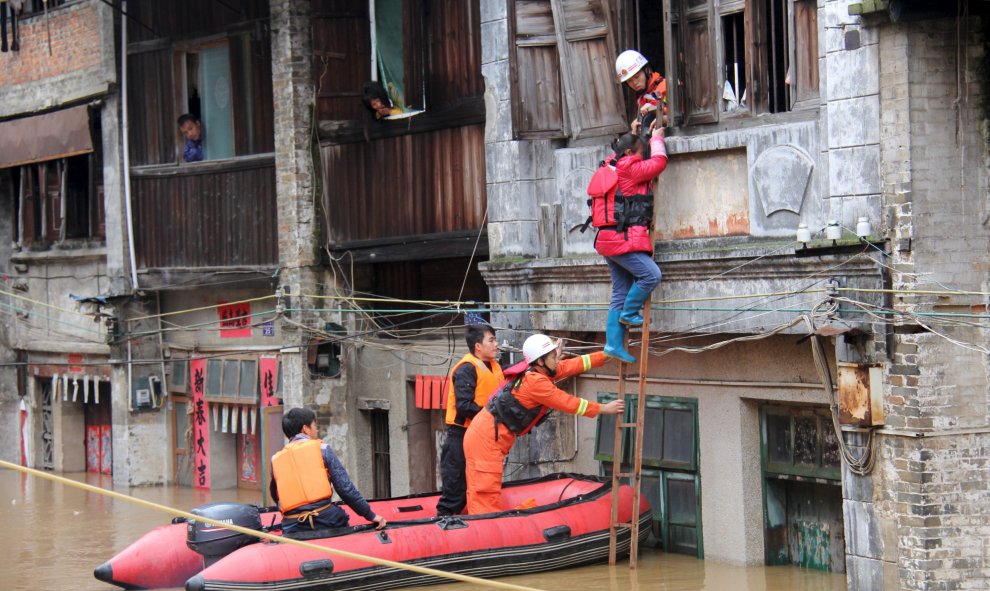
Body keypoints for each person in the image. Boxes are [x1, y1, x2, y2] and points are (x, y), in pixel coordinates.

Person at [462, 334, 625, 515]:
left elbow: (573, 365)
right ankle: (486, 531)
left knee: (481, 489)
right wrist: (604, 408)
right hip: (485, 440)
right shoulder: (536, 382)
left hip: (485, 435)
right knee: (485, 493)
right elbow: (568, 403)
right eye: (553, 356)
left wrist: (606, 355)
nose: (558, 358)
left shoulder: (538, 372)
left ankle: (484, 525)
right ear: (540, 361)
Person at [597, 123, 668, 363]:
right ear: (629, 154)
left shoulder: (611, 164)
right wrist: (657, 140)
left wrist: (636, 132)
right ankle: (629, 313)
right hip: (622, 239)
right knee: (651, 275)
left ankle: (613, 344)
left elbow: (624, 150)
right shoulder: (629, 166)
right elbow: (658, 164)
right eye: (639, 154)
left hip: (607, 239)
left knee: (619, 292)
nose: (640, 159)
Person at [269, 407, 387, 533]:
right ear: (305, 429)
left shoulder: (275, 459)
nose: (317, 429)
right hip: (326, 519)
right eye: (314, 425)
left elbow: (275, 494)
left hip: (292, 525)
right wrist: (371, 515)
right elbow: (345, 489)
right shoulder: (323, 449)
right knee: (339, 515)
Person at [435, 324, 504, 516]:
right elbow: (464, 405)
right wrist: (491, 417)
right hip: (461, 435)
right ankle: (444, 522)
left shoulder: (496, 368)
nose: (496, 344)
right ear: (478, 346)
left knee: (482, 485)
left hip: (483, 437)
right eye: (491, 340)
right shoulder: (466, 369)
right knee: (456, 488)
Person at [614, 49, 668, 151]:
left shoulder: (665, 86)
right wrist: (635, 132)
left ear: (647, 70)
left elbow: (679, 116)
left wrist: (658, 110)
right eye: (629, 81)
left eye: (637, 77)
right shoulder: (641, 98)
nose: (634, 83)